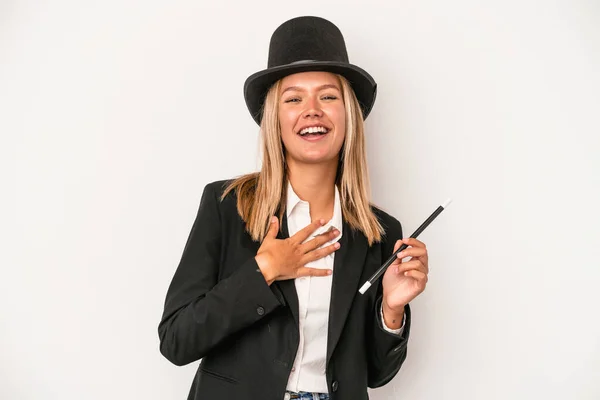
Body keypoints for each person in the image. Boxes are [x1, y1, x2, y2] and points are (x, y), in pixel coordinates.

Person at [158, 16, 429, 400]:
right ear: (276, 118)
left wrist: (391, 310)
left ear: (348, 114)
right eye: (294, 98)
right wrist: (263, 270)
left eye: (328, 96)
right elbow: (176, 340)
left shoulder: (380, 231)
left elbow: (375, 374)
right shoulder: (226, 207)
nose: (312, 110)